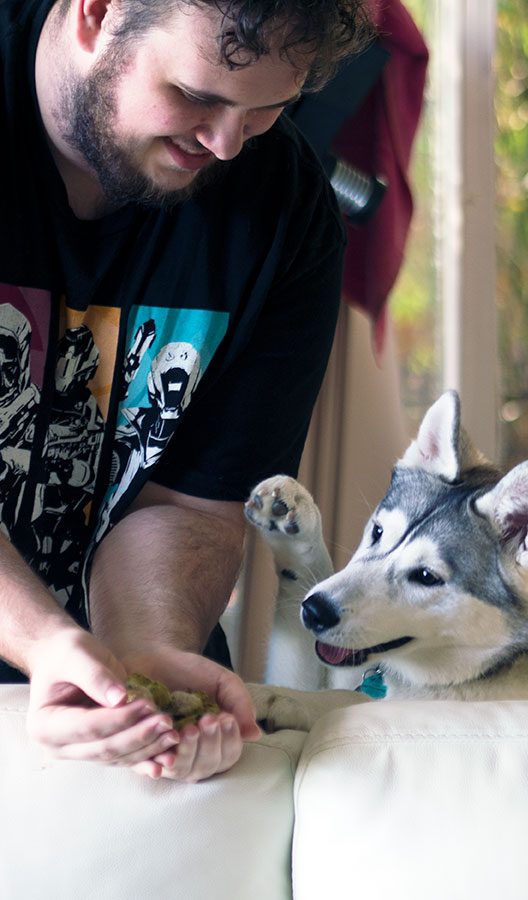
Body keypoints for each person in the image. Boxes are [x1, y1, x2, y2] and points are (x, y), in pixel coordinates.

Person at [0, 0, 372, 782]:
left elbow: (189, 507)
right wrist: (43, 643)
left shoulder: (290, 215)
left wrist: (147, 658)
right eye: (199, 96)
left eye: (269, 107)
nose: (227, 144)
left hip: (122, 737)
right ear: (98, 15)